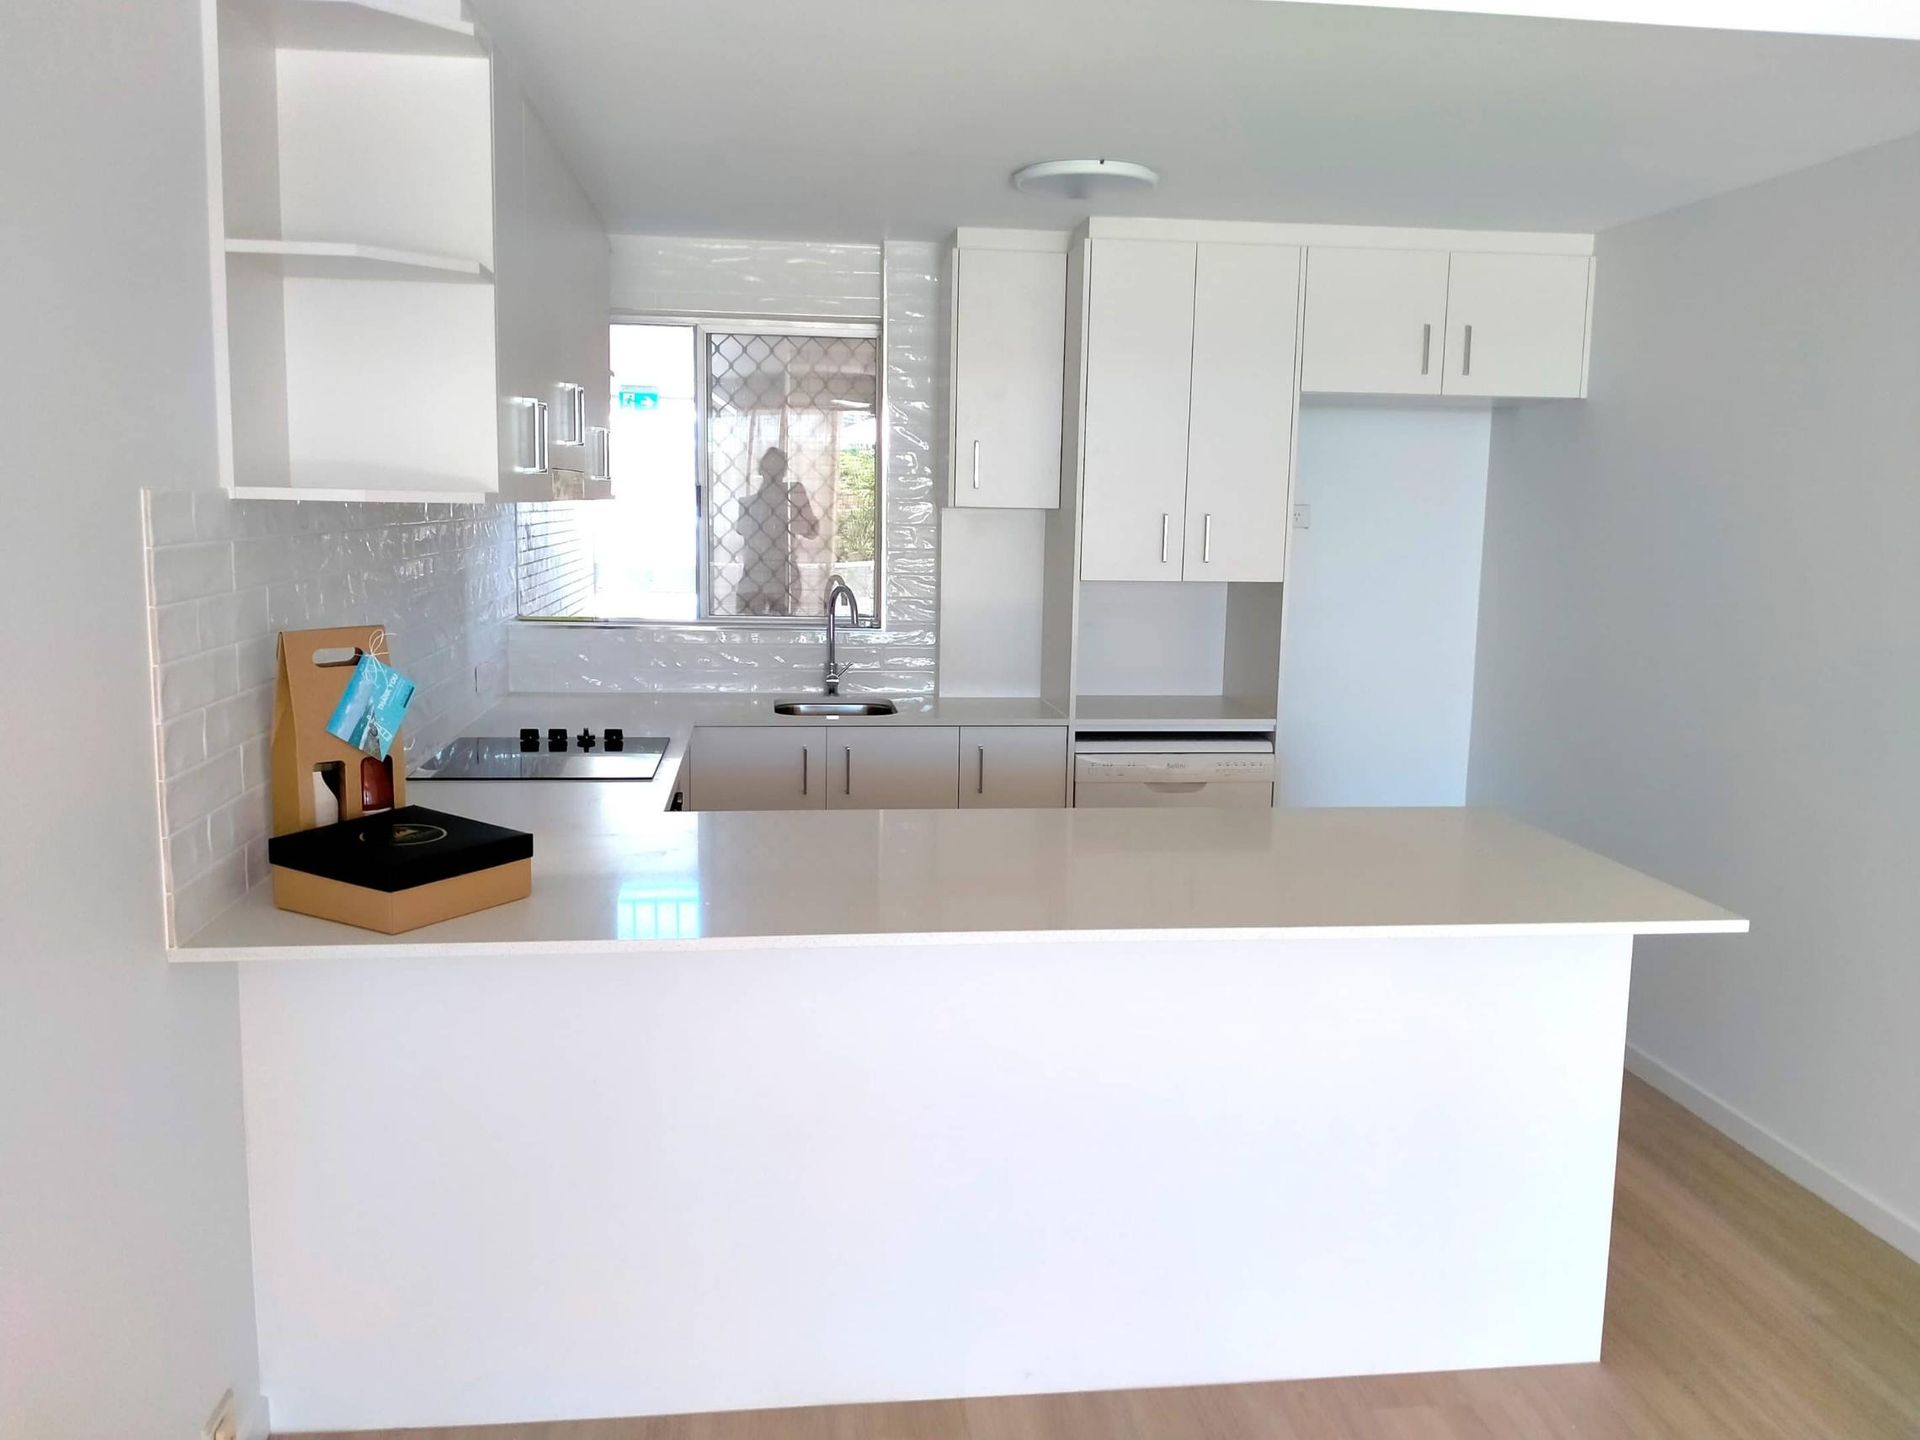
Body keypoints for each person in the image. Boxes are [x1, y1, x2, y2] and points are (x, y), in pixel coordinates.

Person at [735, 446, 820, 616]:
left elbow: (811, 531)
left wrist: (796, 506)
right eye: (770, 469)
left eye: (777, 468)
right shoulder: (748, 503)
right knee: (750, 627)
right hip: (757, 572)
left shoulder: (792, 496)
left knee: (781, 626)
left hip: (781, 573)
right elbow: (811, 531)